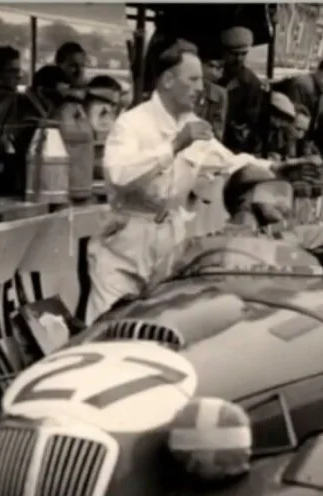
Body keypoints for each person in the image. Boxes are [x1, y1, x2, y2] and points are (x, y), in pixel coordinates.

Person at [85, 39, 268, 323]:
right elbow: (118, 174)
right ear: (168, 80)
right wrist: (173, 147)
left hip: (170, 242)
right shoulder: (132, 124)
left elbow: (230, 162)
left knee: (161, 328)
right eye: (193, 79)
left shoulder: (193, 126)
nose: (200, 87)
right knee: (109, 331)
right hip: (124, 243)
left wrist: (277, 168)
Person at [0, 64, 72, 195]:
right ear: (40, 90)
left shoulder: (43, 111)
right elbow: (4, 144)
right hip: (4, 180)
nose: (58, 104)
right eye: (56, 97)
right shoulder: (19, 108)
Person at [275, 54, 323, 156]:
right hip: (285, 136)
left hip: (304, 138)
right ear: (318, 72)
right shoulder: (303, 85)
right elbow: (294, 124)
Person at [219, 26, 266, 154]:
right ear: (224, 52)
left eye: (243, 54)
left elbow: (251, 120)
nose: (239, 58)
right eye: (234, 54)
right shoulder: (212, 75)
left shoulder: (251, 82)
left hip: (231, 145)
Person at [196, 42, 229, 142]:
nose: (218, 72)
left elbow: (218, 129)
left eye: (221, 67)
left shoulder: (219, 94)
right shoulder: (185, 87)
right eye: (212, 66)